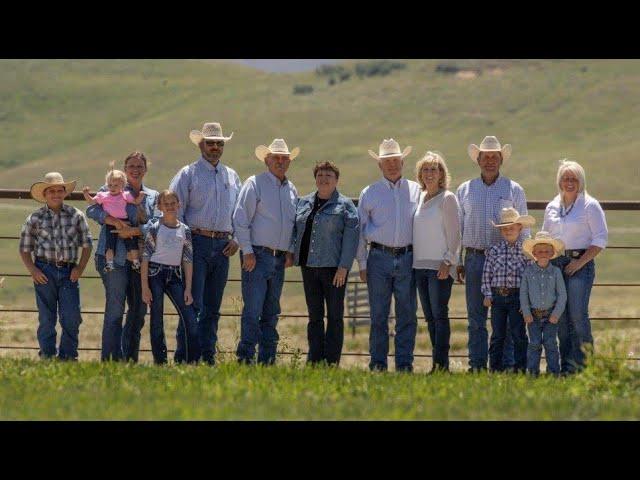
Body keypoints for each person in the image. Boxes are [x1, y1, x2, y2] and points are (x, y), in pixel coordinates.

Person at [169, 122, 242, 365]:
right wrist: (183, 243)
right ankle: (186, 356)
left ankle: (208, 356)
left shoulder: (232, 176)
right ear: (201, 144)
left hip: (223, 246)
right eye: (210, 143)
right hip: (195, 243)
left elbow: (240, 214)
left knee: (212, 306)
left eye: (219, 143)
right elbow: (174, 210)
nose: (215, 147)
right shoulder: (187, 174)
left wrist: (238, 239)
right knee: (192, 303)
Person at [456, 136, 529, 372]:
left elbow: (524, 229)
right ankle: (477, 365)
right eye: (485, 157)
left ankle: (505, 366)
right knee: (476, 317)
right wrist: (458, 260)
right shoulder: (465, 189)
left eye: (494, 157)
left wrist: (526, 261)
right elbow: (459, 227)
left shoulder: (514, 189)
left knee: (507, 318)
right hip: (475, 257)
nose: (489, 161)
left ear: (501, 160)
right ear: (478, 160)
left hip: (508, 261)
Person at [86, 151, 159, 362]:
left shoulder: (152, 196)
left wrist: (135, 231)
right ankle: (110, 360)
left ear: (146, 169)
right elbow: (92, 210)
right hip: (113, 258)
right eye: (131, 166)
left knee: (138, 311)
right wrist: (114, 221)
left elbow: (156, 224)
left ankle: (129, 359)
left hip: (142, 260)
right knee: (115, 310)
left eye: (139, 166)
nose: (135, 170)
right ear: (125, 169)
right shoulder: (112, 187)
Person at [233, 138, 299, 365]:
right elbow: (240, 219)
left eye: (284, 158)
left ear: (288, 161)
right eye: (276, 158)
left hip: (279, 258)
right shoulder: (254, 183)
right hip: (258, 255)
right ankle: (246, 357)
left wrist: (290, 250)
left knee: (271, 310)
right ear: (267, 160)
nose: (280, 161)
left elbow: (292, 224)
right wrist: (248, 251)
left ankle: (267, 359)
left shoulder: (291, 189)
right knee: (253, 309)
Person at [357, 138, 420, 372]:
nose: (392, 165)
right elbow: (360, 231)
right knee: (378, 315)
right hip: (378, 258)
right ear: (379, 165)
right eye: (387, 161)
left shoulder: (417, 190)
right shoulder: (369, 193)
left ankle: (404, 364)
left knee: (407, 314)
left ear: (402, 162)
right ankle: (378, 363)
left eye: (396, 160)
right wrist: (362, 263)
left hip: (408, 257)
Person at [290, 161, 359, 365]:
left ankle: (331, 361)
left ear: (336, 180)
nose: (324, 179)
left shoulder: (345, 206)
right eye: (320, 175)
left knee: (335, 317)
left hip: (334, 269)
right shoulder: (303, 203)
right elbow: (294, 231)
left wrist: (344, 267)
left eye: (329, 175)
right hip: (309, 267)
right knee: (315, 316)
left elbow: (351, 238)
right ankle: (314, 359)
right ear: (315, 179)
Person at [542, 160, 608, 373]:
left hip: (581, 262)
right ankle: (567, 367)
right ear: (559, 181)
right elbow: (545, 237)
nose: (569, 182)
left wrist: (580, 263)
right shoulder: (552, 206)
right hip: (556, 264)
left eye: (574, 179)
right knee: (560, 319)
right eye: (565, 178)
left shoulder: (590, 205)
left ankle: (585, 367)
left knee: (578, 316)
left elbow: (600, 239)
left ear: (581, 182)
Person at [19, 172, 93, 360]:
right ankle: (48, 354)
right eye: (51, 191)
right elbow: (24, 248)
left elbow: (87, 244)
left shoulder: (76, 215)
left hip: (69, 270)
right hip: (44, 270)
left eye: (59, 190)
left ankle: (68, 356)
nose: (56, 194)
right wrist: (33, 270)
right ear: (44, 194)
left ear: (64, 193)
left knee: (71, 316)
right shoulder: (34, 218)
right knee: (46, 317)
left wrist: (80, 268)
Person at [412, 151, 461, 373]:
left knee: (440, 315)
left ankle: (442, 365)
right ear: (420, 174)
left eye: (434, 169)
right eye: (426, 169)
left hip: (439, 267)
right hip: (419, 266)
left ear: (441, 173)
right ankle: (436, 363)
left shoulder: (448, 198)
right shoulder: (420, 198)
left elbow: (455, 234)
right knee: (430, 317)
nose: (429, 173)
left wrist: (448, 261)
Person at [141, 190, 199, 364]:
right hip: (155, 274)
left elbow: (188, 259)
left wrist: (188, 288)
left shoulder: (185, 230)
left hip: (174, 275)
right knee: (157, 318)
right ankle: (161, 362)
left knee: (189, 316)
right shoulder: (155, 228)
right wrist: (145, 287)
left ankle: (192, 361)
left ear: (178, 204)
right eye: (166, 204)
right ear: (160, 207)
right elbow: (145, 258)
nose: (170, 207)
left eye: (173, 203)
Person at [481, 208, 535, 373]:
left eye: (512, 227)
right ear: (501, 231)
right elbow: (487, 274)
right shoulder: (494, 250)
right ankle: (495, 368)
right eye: (504, 228)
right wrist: (488, 294)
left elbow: (529, 278)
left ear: (520, 228)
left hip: (517, 297)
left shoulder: (526, 252)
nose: (508, 231)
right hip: (497, 297)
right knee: (497, 334)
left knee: (519, 333)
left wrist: (526, 300)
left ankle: (520, 368)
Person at [83, 165, 147, 272]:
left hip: (125, 222)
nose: (112, 188)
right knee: (110, 244)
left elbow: (135, 202)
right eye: (110, 185)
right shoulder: (103, 195)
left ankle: (136, 262)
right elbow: (92, 202)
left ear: (123, 185)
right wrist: (86, 194)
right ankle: (109, 263)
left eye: (116, 185)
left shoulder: (125, 195)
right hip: (110, 223)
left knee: (131, 243)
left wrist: (140, 195)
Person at [520, 231, 567, 376]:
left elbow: (562, 295)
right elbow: (523, 293)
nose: (543, 253)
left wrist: (556, 314)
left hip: (550, 315)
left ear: (552, 252)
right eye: (540, 251)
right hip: (533, 316)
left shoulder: (556, 272)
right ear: (534, 253)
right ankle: (532, 373)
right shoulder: (528, 272)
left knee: (551, 343)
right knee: (534, 344)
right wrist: (526, 313)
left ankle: (553, 373)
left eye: (547, 251)